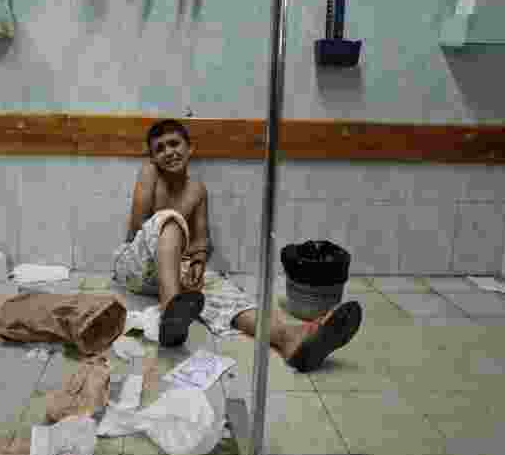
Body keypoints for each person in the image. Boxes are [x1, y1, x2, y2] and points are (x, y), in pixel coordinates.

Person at [112, 119, 362, 372]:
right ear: (153, 158)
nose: (169, 152)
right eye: (160, 148)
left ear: (190, 149)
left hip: (174, 271)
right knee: (170, 220)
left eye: (174, 144)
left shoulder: (197, 190)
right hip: (135, 265)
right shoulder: (150, 173)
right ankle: (169, 312)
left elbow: (201, 239)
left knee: (224, 292)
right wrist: (173, 230)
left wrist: (197, 262)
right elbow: (137, 226)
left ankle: (288, 338)